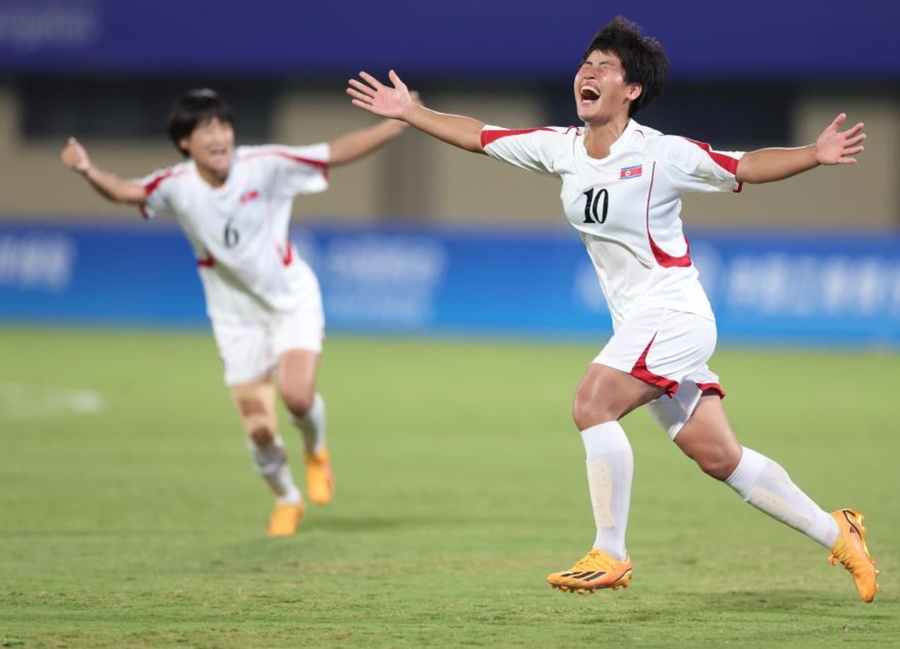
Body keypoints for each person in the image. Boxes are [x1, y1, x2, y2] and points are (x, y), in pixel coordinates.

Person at [346, 16, 880, 601]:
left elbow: (743, 166)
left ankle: (611, 552)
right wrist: (410, 113)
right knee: (720, 457)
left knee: (591, 401)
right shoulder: (563, 149)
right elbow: (480, 134)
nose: (589, 73)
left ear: (632, 91)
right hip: (643, 325)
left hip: (674, 313)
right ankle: (839, 532)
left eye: (606, 67)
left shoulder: (660, 154)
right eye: (586, 64)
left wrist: (815, 152)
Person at [61, 88, 413, 537]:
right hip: (236, 320)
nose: (219, 135)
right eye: (206, 128)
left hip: (290, 301)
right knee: (260, 432)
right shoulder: (175, 185)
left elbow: (335, 153)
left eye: (223, 125)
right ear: (185, 142)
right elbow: (127, 192)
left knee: (298, 397)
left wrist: (396, 123)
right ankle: (287, 499)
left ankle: (316, 449)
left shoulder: (262, 165)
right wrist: (88, 169)